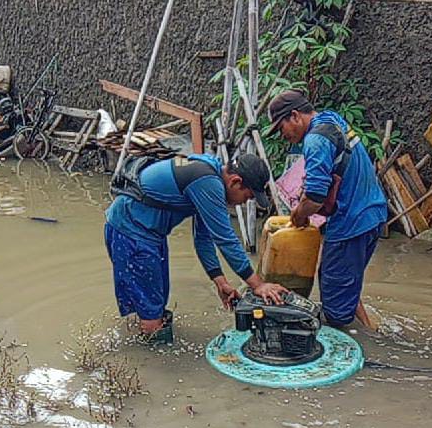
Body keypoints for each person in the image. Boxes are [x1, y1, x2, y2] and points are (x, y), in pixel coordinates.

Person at [105, 152, 287, 338]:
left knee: (154, 301)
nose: (244, 202)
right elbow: (225, 239)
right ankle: (150, 362)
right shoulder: (208, 182)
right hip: (131, 232)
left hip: (147, 232)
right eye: (247, 196)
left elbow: (203, 238)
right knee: (151, 312)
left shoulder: (208, 176)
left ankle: (143, 339)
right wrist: (257, 285)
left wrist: (220, 281)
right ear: (235, 182)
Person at [265, 90, 387, 329]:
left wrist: (298, 215)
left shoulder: (315, 140)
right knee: (342, 283)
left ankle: (349, 347)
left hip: (350, 224)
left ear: (295, 116)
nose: (283, 135)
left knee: (334, 310)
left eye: (281, 128)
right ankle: (372, 331)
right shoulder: (332, 119)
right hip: (372, 214)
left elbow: (315, 199)